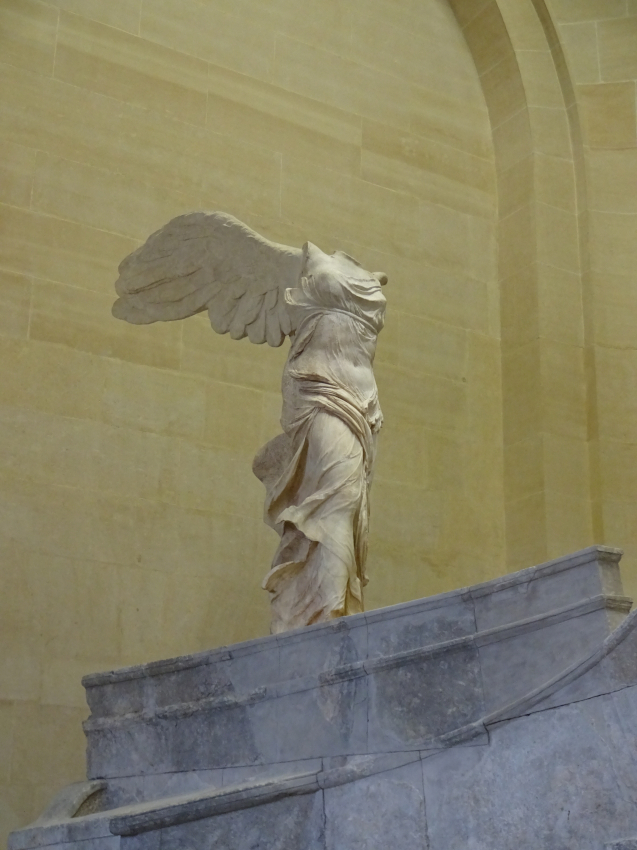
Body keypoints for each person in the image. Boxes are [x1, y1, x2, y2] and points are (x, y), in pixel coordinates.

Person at [253, 242, 387, 633]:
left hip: (363, 403)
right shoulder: (307, 263)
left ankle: (325, 607)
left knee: (346, 502)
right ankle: (327, 612)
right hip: (319, 391)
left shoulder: (368, 278)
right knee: (336, 501)